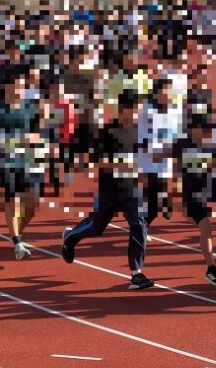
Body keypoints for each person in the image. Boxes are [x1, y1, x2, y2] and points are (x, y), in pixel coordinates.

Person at [61, 90, 155, 290]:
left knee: (139, 224)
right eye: (134, 111)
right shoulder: (107, 132)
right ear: (123, 110)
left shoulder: (138, 131)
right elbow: (100, 163)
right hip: (109, 190)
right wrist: (123, 166)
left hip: (131, 189)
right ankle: (71, 237)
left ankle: (136, 273)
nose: (136, 115)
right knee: (96, 227)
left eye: (138, 111)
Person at [0, 69, 44, 261]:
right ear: (6, 87)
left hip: (28, 159)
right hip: (6, 160)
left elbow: (37, 133)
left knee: (32, 204)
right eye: (15, 85)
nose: (19, 89)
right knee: (13, 199)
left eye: (21, 85)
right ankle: (17, 241)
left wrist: (30, 140)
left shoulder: (30, 108)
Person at [172, 117, 216, 287]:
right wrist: (181, 201)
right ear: (193, 129)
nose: (206, 134)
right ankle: (211, 268)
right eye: (203, 130)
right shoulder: (184, 145)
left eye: (208, 131)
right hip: (191, 196)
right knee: (206, 228)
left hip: (203, 193)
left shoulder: (209, 147)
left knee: (206, 228)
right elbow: (178, 169)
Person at [139, 77, 184, 226]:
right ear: (157, 93)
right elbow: (141, 137)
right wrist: (154, 152)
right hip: (150, 163)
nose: (168, 94)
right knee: (152, 202)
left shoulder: (175, 111)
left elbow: (177, 136)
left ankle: (142, 225)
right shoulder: (147, 111)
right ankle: (140, 228)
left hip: (165, 162)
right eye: (165, 91)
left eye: (170, 91)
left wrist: (172, 153)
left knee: (158, 193)